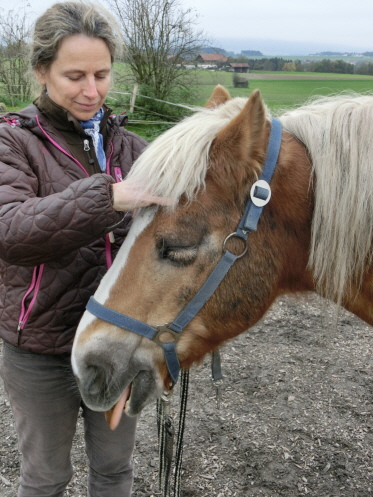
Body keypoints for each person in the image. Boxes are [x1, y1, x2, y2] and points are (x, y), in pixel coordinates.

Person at [0, 2, 167, 496]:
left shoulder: (131, 148)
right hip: (41, 348)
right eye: (74, 75)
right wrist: (107, 196)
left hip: (117, 343)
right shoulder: (13, 143)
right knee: (46, 477)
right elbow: (10, 230)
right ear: (41, 72)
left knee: (115, 471)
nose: (91, 90)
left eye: (102, 74)